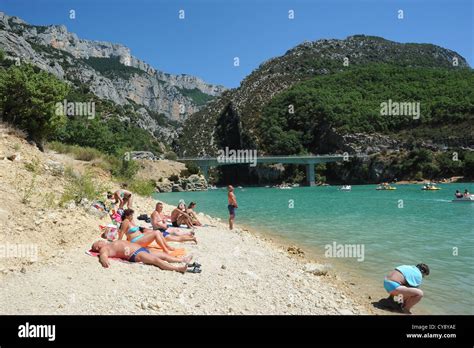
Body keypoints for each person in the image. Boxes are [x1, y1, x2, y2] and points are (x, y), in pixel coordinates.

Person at [91, 240, 193, 273]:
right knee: (156, 260)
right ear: (98, 247)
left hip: (141, 250)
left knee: (163, 255)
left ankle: (182, 259)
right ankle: (179, 269)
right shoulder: (104, 249)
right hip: (136, 254)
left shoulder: (109, 243)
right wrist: (104, 260)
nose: (101, 240)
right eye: (99, 242)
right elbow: (103, 256)